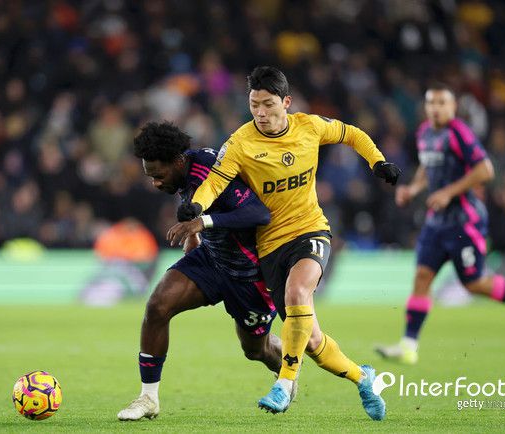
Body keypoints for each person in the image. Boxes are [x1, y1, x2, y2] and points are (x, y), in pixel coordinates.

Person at [172, 66, 401, 420]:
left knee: (298, 293)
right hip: (269, 246)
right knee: (312, 342)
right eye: (254, 105)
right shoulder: (240, 142)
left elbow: (352, 134)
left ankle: (284, 384)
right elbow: (215, 181)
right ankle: (363, 377)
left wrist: (377, 161)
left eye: (268, 104)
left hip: (311, 230)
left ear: (287, 102)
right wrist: (197, 206)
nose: (261, 113)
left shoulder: (310, 126)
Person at [374, 83, 505, 365]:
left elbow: (486, 170)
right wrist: (413, 188)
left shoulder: (459, 132)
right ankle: (409, 346)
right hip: (437, 222)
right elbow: (428, 166)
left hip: (464, 221)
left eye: (442, 103)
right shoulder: (424, 133)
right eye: (431, 103)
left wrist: (449, 192)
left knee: (474, 283)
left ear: (453, 107)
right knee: (422, 277)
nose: (436, 109)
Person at [117, 122, 284, 421]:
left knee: (256, 351)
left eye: (158, 175)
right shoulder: (182, 173)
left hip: (250, 273)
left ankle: (285, 369)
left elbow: (259, 214)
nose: (155, 183)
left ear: (177, 161)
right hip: (212, 258)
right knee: (157, 306)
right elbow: (197, 203)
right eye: (150, 176)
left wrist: (201, 224)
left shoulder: (211, 169)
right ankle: (148, 398)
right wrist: (195, 233)